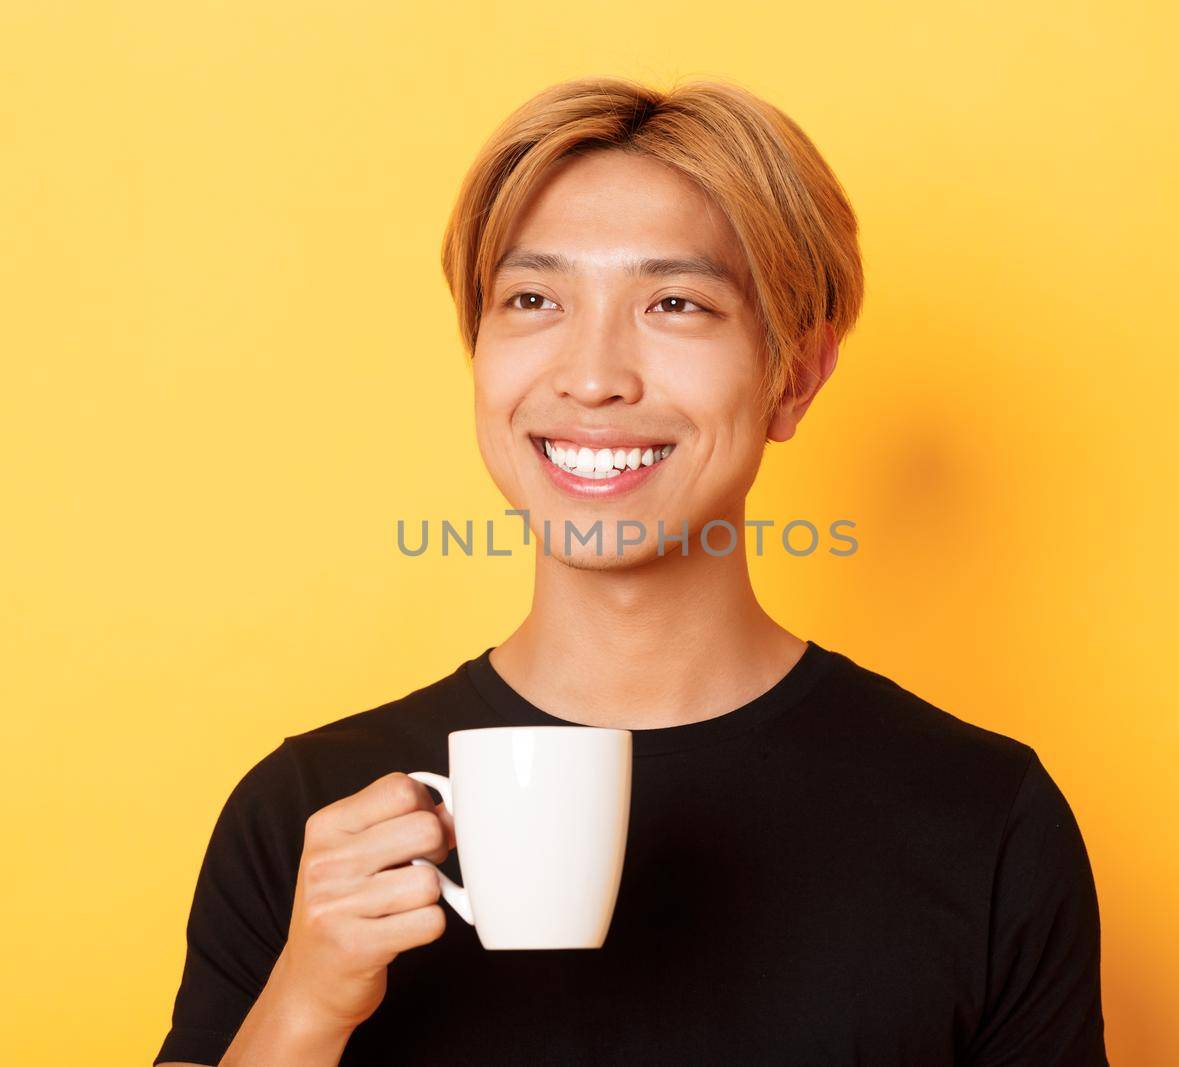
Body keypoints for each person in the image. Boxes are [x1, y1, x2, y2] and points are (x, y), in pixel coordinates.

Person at [154, 76, 1106, 1066]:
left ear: (795, 376)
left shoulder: (982, 817)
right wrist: (305, 1003)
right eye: (532, 299)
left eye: (674, 302)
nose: (592, 373)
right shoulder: (313, 817)